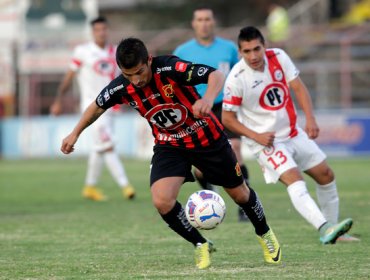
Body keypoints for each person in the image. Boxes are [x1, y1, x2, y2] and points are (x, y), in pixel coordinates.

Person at [60, 37, 283, 269]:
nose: (135, 81)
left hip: (207, 139)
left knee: (240, 195)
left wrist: (207, 99)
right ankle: (200, 244)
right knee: (162, 201)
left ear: (148, 60)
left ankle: (265, 233)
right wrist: (75, 133)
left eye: (139, 72)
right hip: (170, 146)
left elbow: (215, 75)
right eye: (128, 75)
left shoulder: (170, 68)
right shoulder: (121, 86)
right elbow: (97, 105)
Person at [222, 26, 356, 244]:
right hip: (266, 143)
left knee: (326, 175)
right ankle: (324, 229)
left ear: (265, 46)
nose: (253, 56)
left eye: (257, 49)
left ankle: (335, 232)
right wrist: (256, 136)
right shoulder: (236, 78)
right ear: (240, 53)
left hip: (293, 133)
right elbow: (227, 119)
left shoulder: (279, 57)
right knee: (295, 178)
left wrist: (310, 119)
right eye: (247, 51)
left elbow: (299, 88)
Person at [173, 6, 249, 222]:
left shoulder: (229, 49)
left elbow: (240, 75)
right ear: (193, 24)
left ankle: (245, 204)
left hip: (224, 107)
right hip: (195, 110)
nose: (204, 23)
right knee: (199, 167)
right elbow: (174, 83)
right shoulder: (182, 51)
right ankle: (210, 199)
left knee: (235, 150)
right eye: (200, 20)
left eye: (208, 19)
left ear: (213, 22)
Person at [50, 16, 135, 201]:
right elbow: (69, 76)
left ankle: (89, 187)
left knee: (99, 148)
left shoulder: (114, 52)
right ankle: (126, 186)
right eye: (97, 30)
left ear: (107, 30)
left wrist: (125, 100)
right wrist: (58, 100)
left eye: (104, 29)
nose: (101, 33)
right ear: (92, 32)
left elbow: (123, 80)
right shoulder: (83, 52)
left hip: (111, 107)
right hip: (92, 107)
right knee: (108, 146)